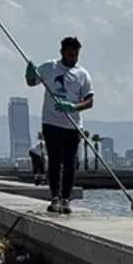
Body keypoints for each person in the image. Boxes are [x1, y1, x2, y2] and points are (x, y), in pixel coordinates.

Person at [25, 36, 94, 214]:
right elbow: (32, 83)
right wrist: (30, 73)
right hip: (51, 122)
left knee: (71, 163)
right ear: (62, 52)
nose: (74, 58)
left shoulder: (82, 75)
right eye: (70, 54)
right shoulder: (50, 67)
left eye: (76, 55)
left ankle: (66, 199)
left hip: (72, 125)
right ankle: (55, 197)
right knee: (54, 160)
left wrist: (73, 107)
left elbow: (89, 101)